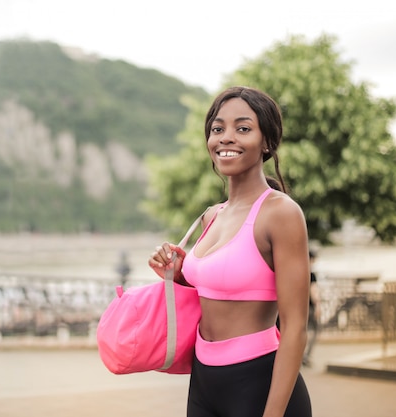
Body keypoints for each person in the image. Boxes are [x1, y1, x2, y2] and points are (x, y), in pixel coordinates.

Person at [149, 86, 312, 417]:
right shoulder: (212, 214)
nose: (226, 138)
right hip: (204, 380)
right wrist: (178, 274)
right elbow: (217, 293)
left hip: (258, 382)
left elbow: (295, 327)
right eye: (217, 128)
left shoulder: (281, 213)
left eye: (243, 128)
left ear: (266, 142)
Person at [303, 251, 321, 367]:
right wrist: (318, 305)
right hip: (309, 307)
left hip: (298, 308)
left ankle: (301, 355)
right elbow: (313, 291)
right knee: (316, 330)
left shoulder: (297, 272)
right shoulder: (311, 274)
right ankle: (306, 356)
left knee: (300, 331)